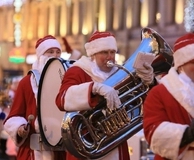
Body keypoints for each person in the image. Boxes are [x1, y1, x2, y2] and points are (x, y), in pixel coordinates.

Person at [55, 30, 154, 160]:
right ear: (93, 55)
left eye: (112, 52)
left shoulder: (120, 72)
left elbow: (140, 103)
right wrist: (93, 88)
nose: (110, 57)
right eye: (104, 52)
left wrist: (149, 82)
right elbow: (61, 99)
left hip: (116, 144)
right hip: (88, 145)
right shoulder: (78, 71)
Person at [3, 35, 68, 160]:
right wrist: (20, 127)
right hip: (33, 152)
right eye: (50, 52)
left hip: (60, 151)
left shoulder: (65, 81)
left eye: (58, 52)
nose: (55, 55)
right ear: (41, 55)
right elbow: (14, 116)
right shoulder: (26, 83)